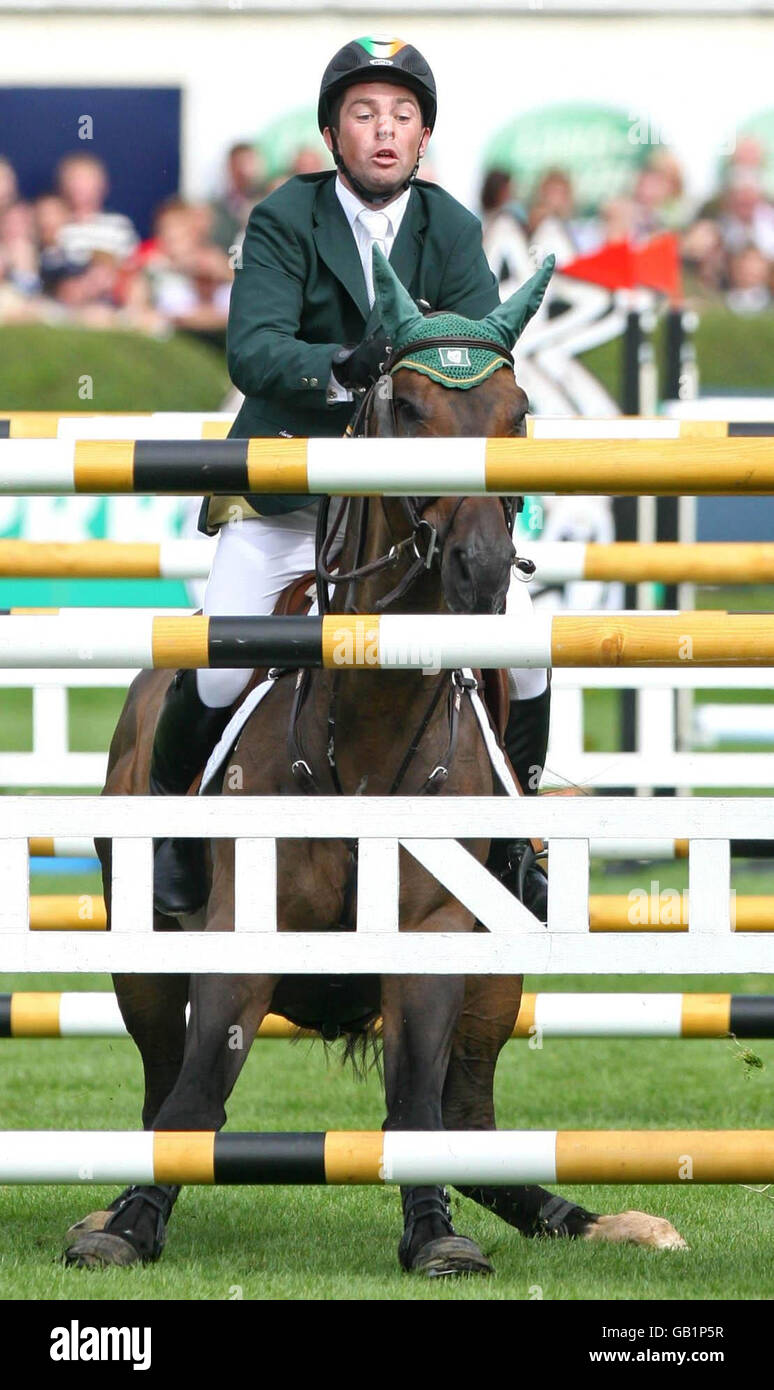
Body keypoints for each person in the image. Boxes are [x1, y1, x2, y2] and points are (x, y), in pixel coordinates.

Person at [149, 36, 551, 917]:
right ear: (334, 132)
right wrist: (344, 365)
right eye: (365, 114)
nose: (384, 131)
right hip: (290, 492)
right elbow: (253, 352)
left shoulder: (452, 228)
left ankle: (518, 843)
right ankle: (171, 836)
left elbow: (481, 363)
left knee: (527, 656)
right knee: (218, 665)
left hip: (414, 511)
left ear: (422, 137)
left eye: (403, 117)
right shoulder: (287, 218)